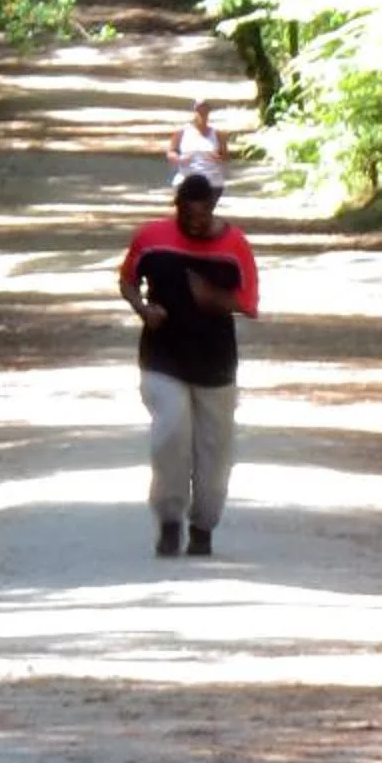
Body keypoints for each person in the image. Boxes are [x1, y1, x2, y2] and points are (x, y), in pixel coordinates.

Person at [118, 171, 259, 559]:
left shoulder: (234, 245)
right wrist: (143, 308)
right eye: (187, 214)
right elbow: (127, 280)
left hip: (215, 364)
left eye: (202, 215)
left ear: (213, 207)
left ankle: (203, 526)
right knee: (171, 434)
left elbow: (249, 303)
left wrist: (212, 297)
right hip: (162, 357)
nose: (195, 223)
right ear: (176, 207)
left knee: (214, 454)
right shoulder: (151, 238)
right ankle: (169, 520)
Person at [168, 99, 229, 189]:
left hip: (212, 181)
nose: (202, 115)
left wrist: (217, 157)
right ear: (193, 114)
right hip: (186, 179)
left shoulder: (218, 134)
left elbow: (225, 157)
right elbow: (171, 152)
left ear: (208, 114)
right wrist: (180, 159)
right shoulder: (181, 133)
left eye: (205, 112)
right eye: (199, 112)